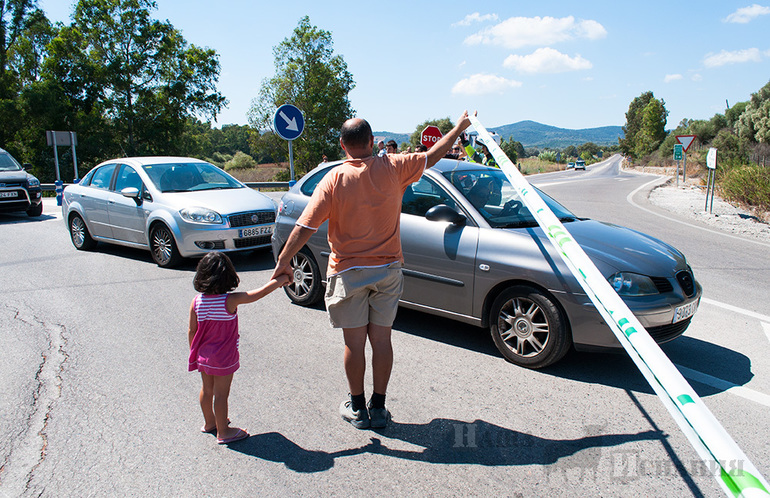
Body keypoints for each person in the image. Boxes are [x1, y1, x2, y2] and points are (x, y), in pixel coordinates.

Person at [272, 111, 472, 429]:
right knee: (381, 341)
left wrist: (283, 262)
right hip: (388, 271)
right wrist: (460, 127)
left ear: (342, 145)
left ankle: (357, 408)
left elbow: (305, 226)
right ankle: (378, 407)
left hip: (347, 272)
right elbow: (433, 155)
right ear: (371, 141)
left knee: (354, 345)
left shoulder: (333, 179)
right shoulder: (394, 166)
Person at [189, 252, 290, 444]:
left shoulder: (196, 301)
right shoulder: (230, 300)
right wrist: (281, 279)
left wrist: (194, 354)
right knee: (221, 394)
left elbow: (191, 330)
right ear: (228, 276)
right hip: (223, 358)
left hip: (203, 356)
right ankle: (224, 431)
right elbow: (258, 294)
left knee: (207, 389)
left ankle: (210, 423)